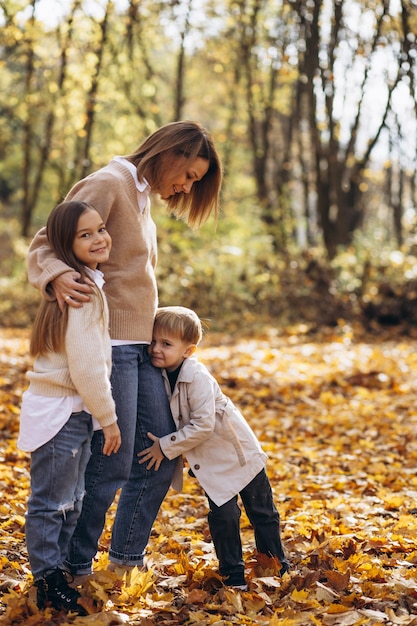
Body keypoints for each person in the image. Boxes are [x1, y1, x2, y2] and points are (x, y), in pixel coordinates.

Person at [27, 121, 223, 577]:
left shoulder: (140, 196)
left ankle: (124, 561)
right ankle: (72, 566)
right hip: (111, 345)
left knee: (158, 455)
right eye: (189, 174)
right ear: (170, 153)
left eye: (196, 181)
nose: (187, 185)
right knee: (112, 465)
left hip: (142, 346)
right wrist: (55, 276)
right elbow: (46, 241)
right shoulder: (108, 182)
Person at [139, 306, 290, 590]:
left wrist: (166, 447)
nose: (156, 349)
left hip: (238, 452)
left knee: (262, 512)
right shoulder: (159, 374)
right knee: (223, 516)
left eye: (166, 344)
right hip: (210, 462)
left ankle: (276, 566)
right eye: (153, 342)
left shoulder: (196, 376)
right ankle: (232, 574)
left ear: (188, 350)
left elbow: (203, 425)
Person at [18, 201, 121, 615]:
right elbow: (86, 365)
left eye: (100, 229)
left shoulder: (85, 284)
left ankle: (55, 574)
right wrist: (109, 419)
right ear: (66, 243)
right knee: (51, 502)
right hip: (60, 411)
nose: (99, 238)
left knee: (71, 500)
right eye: (85, 234)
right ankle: (47, 581)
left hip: (71, 410)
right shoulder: (80, 291)